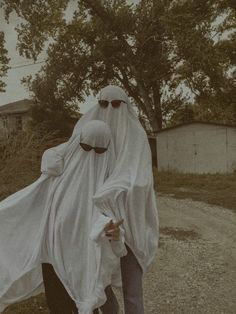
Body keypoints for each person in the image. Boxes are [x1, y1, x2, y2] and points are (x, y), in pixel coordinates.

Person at [46, 85, 159, 314]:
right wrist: (50, 158)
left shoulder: (135, 136)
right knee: (100, 287)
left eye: (116, 104)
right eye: (103, 104)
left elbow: (140, 181)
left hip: (129, 225)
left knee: (132, 290)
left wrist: (109, 191)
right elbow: (67, 152)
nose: (109, 109)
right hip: (96, 224)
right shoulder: (93, 128)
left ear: (125, 105)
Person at [0, 120, 126, 314]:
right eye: (85, 147)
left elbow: (113, 221)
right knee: (59, 306)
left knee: (90, 301)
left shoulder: (110, 182)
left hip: (85, 257)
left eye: (99, 151)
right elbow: (34, 203)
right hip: (54, 255)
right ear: (77, 143)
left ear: (107, 151)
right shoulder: (57, 174)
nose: (91, 156)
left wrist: (114, 232)